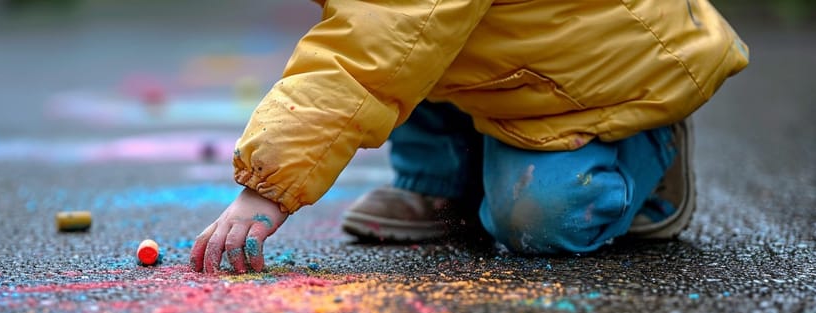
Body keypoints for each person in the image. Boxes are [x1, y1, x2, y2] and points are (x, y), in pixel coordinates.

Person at [190, 0, 750, 273]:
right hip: (512, 61)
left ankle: (646, 152)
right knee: (426, 46)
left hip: (604, 81)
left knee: (538, 220)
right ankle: (442, 183)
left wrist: (268, 187)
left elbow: (370, 53)